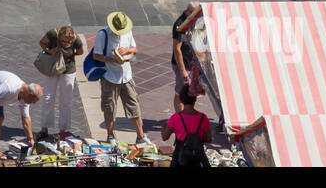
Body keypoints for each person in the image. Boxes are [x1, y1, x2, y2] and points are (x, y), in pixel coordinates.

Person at [92, 11, 152, 147]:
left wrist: (127, 51)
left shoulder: (127, 32)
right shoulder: (103, 35)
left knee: (133, 105)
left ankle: (140, 136)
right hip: (109, 77)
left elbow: (135, 49)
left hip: (126, 76)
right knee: (109, 107)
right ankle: (110, 135)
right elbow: (96, 55)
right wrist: (110, 59)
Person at [36, 25, 85, 141]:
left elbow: (80, 51)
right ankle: (44, 128)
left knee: (66, 100)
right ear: (59, 37)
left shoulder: (76, 39)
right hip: (52, 67)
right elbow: (42, 42)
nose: (66, 43)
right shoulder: (53, 33)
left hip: (68, 70)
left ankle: (63, 130)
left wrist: (71, 53)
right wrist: (48, 51)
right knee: (48, 97)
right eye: (63, 41)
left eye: (69, 41)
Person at [161, 87, 212, 168]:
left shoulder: (175, 118)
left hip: (180, 158)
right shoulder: (203, 118)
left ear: (181, 100)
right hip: (197, 158)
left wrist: (163, 127)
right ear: (195, 99)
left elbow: (164, 137)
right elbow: (208, 139)